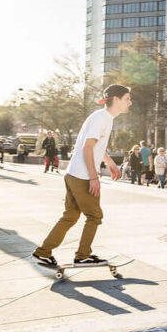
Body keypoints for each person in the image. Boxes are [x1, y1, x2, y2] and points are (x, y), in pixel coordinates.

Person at [32, 84, 131, 267]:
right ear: (116, 100)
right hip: (82, 176)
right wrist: (94, 177)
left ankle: (44, 252)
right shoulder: (102, 118)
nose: (130, 103)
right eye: (127, 99)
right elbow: (87, 147)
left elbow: (94, 146)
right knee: (94, 216)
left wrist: (109, 162)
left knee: (70, 216)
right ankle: (82, 255)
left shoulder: (103, 117)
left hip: (74, 173)